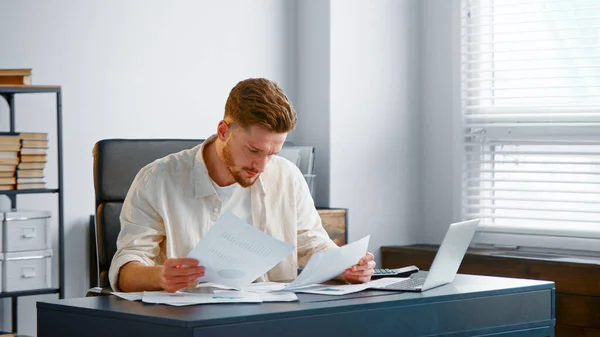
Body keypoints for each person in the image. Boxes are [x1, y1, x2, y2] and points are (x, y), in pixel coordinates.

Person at [109, 78, 375, 292]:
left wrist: (345, 267)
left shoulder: (288, 177)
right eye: (253, 150)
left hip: (270, 321)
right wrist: (159, 277)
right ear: (224, 130)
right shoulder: (156, 179)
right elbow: (126, 271)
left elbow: (312, 244)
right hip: (191, 323)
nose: (261, 166)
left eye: (273, 154)